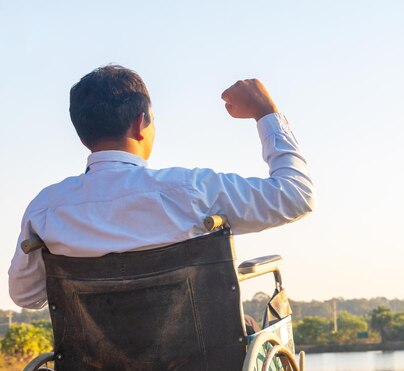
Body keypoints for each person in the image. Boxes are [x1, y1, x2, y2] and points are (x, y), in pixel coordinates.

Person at [8, 65, 315, 315]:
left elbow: (27, 296)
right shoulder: (190, 190)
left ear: (82, 135)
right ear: (141, 123)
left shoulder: (46, 209)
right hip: (205, 368)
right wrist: (266, 113)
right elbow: (295, 196)